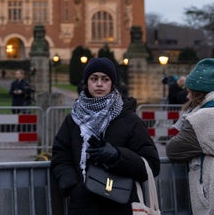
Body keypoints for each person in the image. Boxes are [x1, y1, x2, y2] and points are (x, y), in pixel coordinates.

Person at [50, 57, 160, 215]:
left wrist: (117, 156)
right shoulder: (73, 120)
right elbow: (60, 156)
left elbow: (152, 164)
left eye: (105, 79)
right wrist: (73, 186)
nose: (99, 84)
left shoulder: (129, 119)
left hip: (119, 203)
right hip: (83, 204)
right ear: (86, 82)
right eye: (94, 79)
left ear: (112, 83)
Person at [166, 58, 214, 215]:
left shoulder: (202, 118)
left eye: (189, 91)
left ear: (197, 93)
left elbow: (173, 149)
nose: (187, 97)